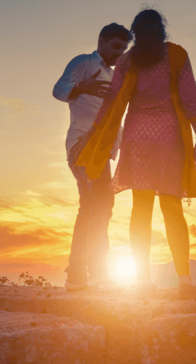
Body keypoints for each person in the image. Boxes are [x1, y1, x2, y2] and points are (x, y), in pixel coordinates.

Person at [75, 8, 196, 298]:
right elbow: (190, 97)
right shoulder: (176, 55)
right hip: (169, 138)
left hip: (137, 139)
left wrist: (95, 133)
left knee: (141, 209)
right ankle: (184, 280)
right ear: (162, 30)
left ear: (135, 33)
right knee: (172, 208)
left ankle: (141, 281)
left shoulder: (127, 60)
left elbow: (113, 100)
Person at [52, 23, 132, 291]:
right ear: (101, 41)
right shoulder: (85, 62)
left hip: (101, 149)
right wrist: (82, 86)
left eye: (124, 49)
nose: (119, 53)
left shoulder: (115, 73)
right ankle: (84, 275)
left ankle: (85, 275)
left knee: (99, 208)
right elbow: (59, 89)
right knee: (93, 207)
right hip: (83, 146)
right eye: (115, 47)